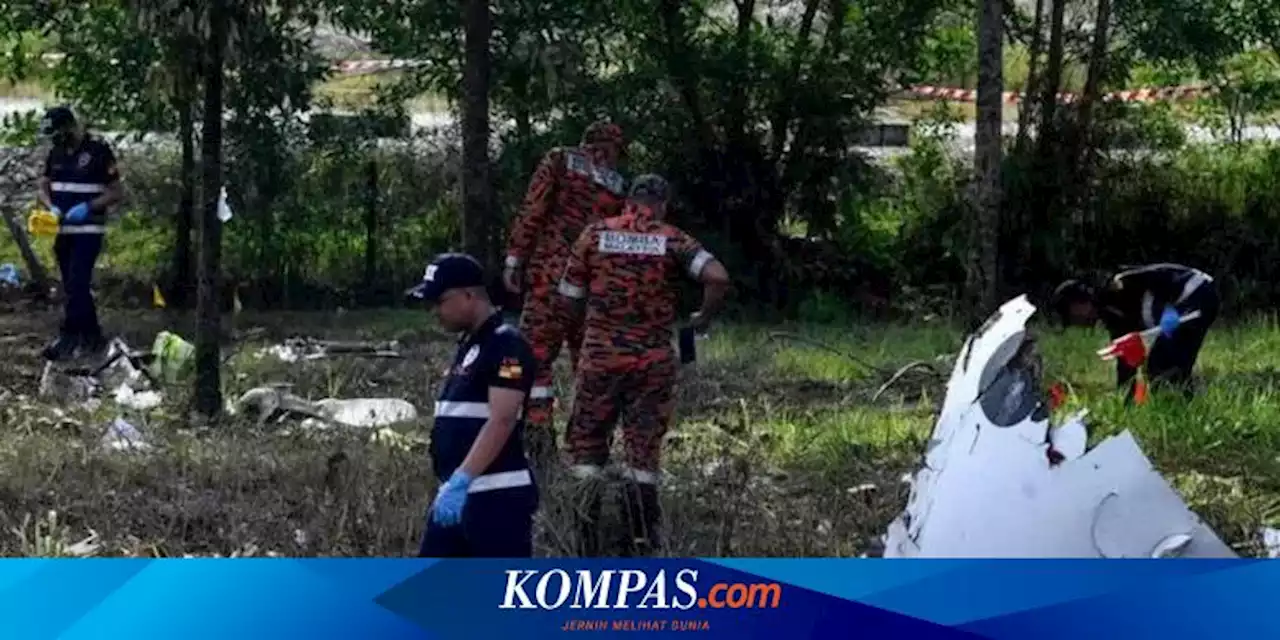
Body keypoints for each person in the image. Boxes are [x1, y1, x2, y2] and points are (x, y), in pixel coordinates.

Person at [555, 174, 731, 556]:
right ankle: (639, 541)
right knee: (642, 448)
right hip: (652, 363)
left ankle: (586, 542)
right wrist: (701, 319)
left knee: (586, 444)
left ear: (628, 200)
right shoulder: (673, 238)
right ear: (662, 205)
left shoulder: (594, 234)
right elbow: (717, 276)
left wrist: (589, 329)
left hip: (601, 357)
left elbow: (567, 298)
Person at [502, 119, 629, 465]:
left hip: (549, 276)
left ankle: (538, 437)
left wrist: (515, 258)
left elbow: (534, 209)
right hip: (590, 285)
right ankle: (588, 447)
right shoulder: (618, 185)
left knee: (534, 356)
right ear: (611, 147)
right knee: (587, 363)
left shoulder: (559, 160)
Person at [408, 253, 540, 557]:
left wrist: (462, 478)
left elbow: (502, 419)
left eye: (439, 301)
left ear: (469, 296)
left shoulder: (506, 344)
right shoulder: (472, 344)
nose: (433, 311)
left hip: (496, 501)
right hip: (458, 497)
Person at [1052, 263, 1220, 400]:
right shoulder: (1112, 316)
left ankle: (1184, 407)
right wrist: (1124, 398)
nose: (1077, 324)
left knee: (1163, 367)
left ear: (1080, 302)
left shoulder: (1121, 284)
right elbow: (1126, 361)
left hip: (1194, 294)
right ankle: (1185, 405)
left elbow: (1157, 275)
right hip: (1187, 303)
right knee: (1162, 367)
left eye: (1072, 315)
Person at [35, 105, 124, 362]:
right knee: (73, 286)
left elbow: (115, 192)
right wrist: (49, 206)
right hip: (63, 230)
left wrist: (88, 207)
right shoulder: (56, 153)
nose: (55, 139)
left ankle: (70, 336)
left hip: (88, 228)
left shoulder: (97, 151)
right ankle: (93, 336)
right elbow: (43, 185)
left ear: (68, 128)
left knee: (77, 281)